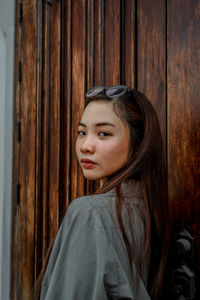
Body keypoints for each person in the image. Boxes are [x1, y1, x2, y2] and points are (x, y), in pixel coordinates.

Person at [37, 85, 169, 300]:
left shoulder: (90, 212)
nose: (85, 146)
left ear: (138, 145)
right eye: (81, 132)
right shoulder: (148, 209)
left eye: (104, 133)